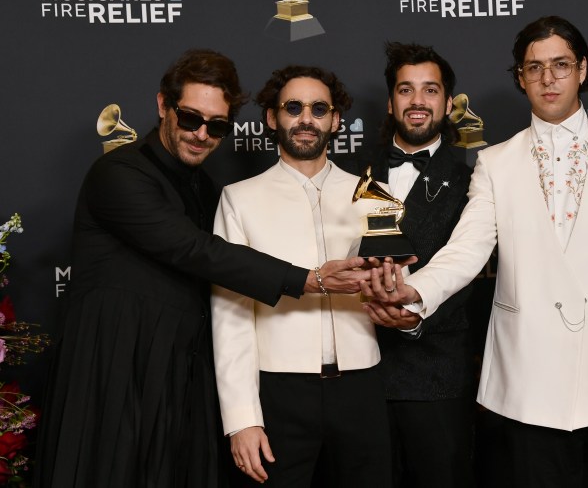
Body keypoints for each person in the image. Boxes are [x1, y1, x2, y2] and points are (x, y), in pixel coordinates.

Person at [363, 16, 588, 487]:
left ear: (582, 69)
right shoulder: (495, 161)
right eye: (534, 68)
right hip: (528, 385)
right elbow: (465, 250)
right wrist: (413, 293)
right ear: (520, 77)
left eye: (560, 65)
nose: (548, 78)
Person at [35, 49, 371, 488]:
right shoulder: (118, 173)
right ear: (162, 106)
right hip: (113, 369)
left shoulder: (208, 189)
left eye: (217, 126)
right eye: (190, 118)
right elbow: (195, 250)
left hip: (180, 377)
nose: (201, 134)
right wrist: (308, 279)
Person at [211, 65, 417, 487]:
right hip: (278, 392)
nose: (307, 118)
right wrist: (242, 420)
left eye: (319, 108)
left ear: (335, 120)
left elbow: (401, 290)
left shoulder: (374, 195)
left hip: (362, 387)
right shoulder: (239, 199)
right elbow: (230, 317)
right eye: (293, 107)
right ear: (272, 118)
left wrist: (404, 305)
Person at [360, 42, 475, 488]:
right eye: (406, 91)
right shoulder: (352, 172)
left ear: (448, 103)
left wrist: (412, 320)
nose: (418, 102)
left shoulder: (475, 181)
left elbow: (472, 270)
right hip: (359, 375)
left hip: (436, 376)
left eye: (430, 90)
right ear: (391, 102)